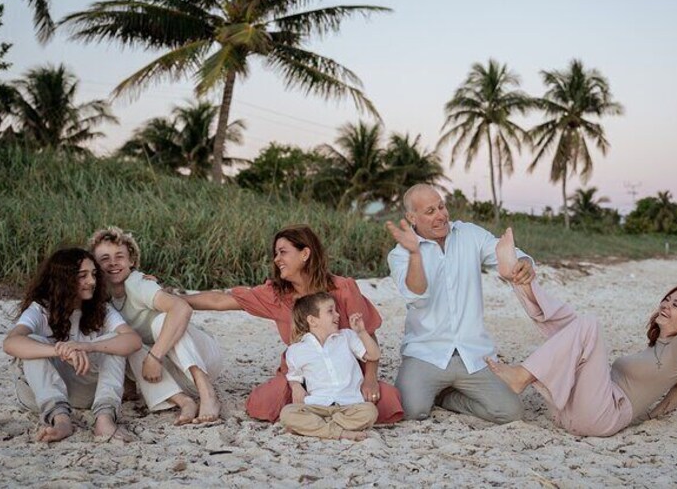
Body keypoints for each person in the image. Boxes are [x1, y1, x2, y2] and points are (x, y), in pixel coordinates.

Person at [486, 228, 677, 447]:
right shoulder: (668, 350)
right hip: (576, 413)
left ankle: (522, 375)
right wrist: (654, 415)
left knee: (588, 325)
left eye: (676, 305)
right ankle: (519, 282)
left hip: (602, 415)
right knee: (573, 325)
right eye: (667, 299)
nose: (665, 304)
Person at [184, 224, 404, 424]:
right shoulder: (276, 295)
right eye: (275, 253)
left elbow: (369, 334)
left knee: (388, 400)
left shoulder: (343, 288)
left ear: (305, 253)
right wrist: (171, 299)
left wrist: (371, 379)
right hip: (302, 375)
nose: (276, 259)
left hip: (345, 374)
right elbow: (220, 300)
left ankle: (335, 410)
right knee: (266, 402)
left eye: (283, 252)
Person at [384, 183, 535, 423]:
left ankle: (448, 398)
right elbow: (417, 294)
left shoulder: (469, 234)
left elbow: (504, 254)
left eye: (441, 207)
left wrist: (524, 261)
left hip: (472, 353)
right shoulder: (400, 254)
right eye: (430, 211)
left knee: (511, 412)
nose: (441, 215)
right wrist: (415, 254)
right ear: (412, 217)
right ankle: (437, 391)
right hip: (426, 352)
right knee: (411, 410)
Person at [3, 247, 142, 443]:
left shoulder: (101, 309)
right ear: (64, 279)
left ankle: (104, 419)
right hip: (39, 393)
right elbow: (11, 342)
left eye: (93, 274)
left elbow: (133, 340)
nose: (92, 281)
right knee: (33, 344)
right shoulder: (41, 309)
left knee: (112, 343)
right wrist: (60, 350)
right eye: (82, 276)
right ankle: (60, 420)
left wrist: (87, 347)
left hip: (86, 393)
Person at [88, 226, 223, 425]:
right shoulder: (100, 299)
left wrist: (154, 357)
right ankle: (184, 401)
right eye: (105, 258)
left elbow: (181, 308)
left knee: (161, 321)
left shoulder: (137, 283)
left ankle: (208, 394)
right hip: (177, 377)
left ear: (131, 261)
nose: (113, 263)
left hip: (202, 359)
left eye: (120, 256)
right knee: (125, 341)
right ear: (95, 266)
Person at [279, 292, 380, 441]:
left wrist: (362, 332)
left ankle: (320, 428)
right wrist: (295, 386)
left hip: (349, 405)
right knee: (287, 413)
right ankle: (341, 432)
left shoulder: (347, 336)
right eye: (330, 311)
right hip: (317, 406)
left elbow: (374, 355)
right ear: (312, 321)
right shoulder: (296, 350)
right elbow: (293, 375)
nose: (338, 315)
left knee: (370, 411)